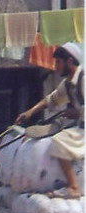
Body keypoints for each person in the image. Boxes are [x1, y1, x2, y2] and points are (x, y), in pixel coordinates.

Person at [15, 42, 84, 199]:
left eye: (58, 62)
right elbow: (51, 100)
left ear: (70, 61)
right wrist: (30, 112)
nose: (55, 66)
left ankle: (74, 186)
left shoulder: (83, 79)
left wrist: (76, 112)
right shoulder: (67, 84)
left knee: (59, 140)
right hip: (80, 128)